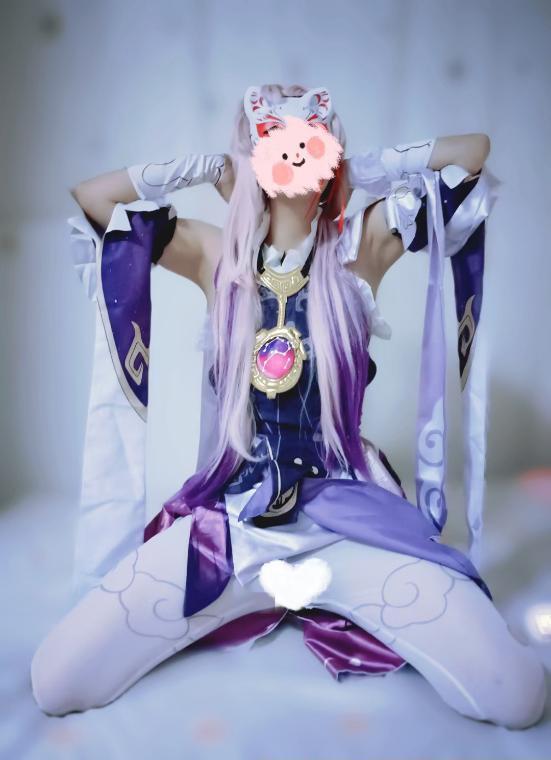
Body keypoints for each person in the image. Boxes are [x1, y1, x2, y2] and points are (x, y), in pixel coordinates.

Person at [30, 83, 547, 728]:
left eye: (312, 140)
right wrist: (204, 169)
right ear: (251, 153)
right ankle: (257, 597)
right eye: (274, 139)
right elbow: (94, 199)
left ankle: (317, 596)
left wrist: (364, 169)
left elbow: (472, 153)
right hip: (233, 527)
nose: (295, 152)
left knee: (514, 693)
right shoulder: (216, 254)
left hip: (348, 522)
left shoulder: (363, 245)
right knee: (57, 678)